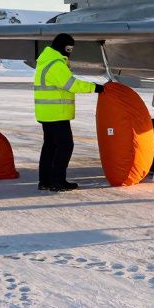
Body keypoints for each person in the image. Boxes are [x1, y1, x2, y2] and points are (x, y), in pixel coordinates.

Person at [34, 33, 103, 192]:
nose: (69, 52)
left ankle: (45, 181)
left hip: (47, 113)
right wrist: (95, 87)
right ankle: (58, 181)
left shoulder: (45, 61)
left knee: (50, 146)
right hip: (57, 113)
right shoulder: (56, 64)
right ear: (62, 47)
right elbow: (72, 85)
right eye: (68, 48)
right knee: (65, 146)